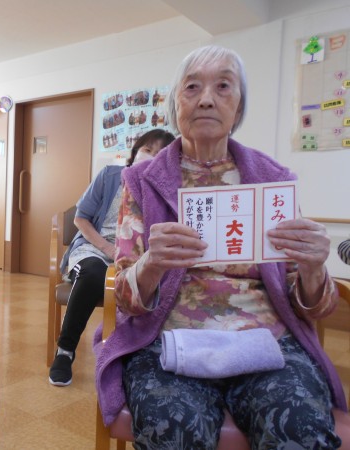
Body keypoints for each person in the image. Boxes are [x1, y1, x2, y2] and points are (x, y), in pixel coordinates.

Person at [95, 45, 346, 449]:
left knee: (300, 427)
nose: (207, 99)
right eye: (192, 87)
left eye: (223, 86)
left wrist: (314, 268)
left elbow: (315, 307)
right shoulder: (141, 181)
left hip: (266, 345)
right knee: (172, 428)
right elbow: (125, 297)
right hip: (169, 344)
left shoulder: (272, 179)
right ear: (175, 103)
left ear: (239, 104)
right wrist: (151, 264)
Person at [49, 129, 174, 386]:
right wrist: (107, 248)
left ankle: (133, 354)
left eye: (160, 153)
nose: (151, 157)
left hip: (138, 258)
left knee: (158, 284)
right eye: (147, 150)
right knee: (94, 274)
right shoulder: (109, 176)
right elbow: (80, 219)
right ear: (135, 153)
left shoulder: (166, 191)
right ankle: (65, 351)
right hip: (95, 248)